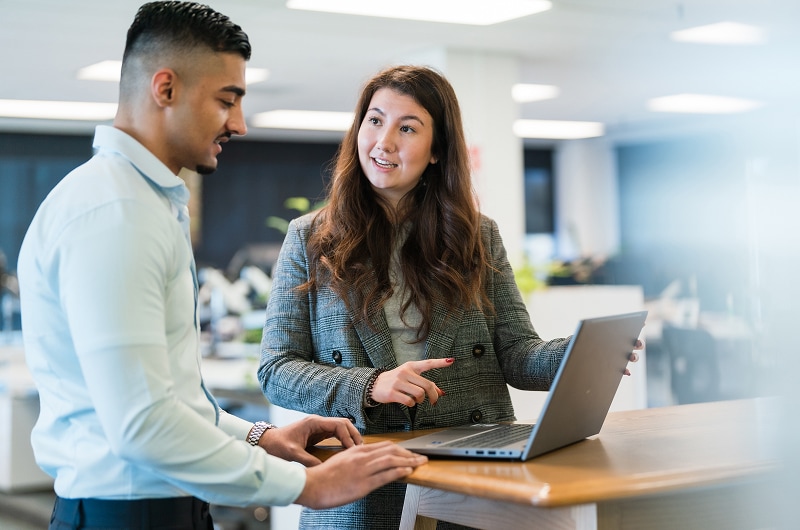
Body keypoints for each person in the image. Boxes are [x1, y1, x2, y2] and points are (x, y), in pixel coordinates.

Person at [17, 3, 426, 529]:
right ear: (165, 89)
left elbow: (171, 399)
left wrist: (259, 437)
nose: (239, 123)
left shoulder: (142, 203)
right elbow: (142, 426)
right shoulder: (116, 214)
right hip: (127, 514)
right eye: (226, 100)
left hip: (159, 507)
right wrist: (308, 486)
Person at [258, 64, 642, 529]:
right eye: (375, 121)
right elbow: (277, 369)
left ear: (437, 150)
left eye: (408, 128)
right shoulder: (310, 237)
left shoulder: (476, 235)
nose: (384, 142)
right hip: (363, 477)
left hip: (472, 477)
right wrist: (371, 385)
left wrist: (572, 358)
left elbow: (516, 353)